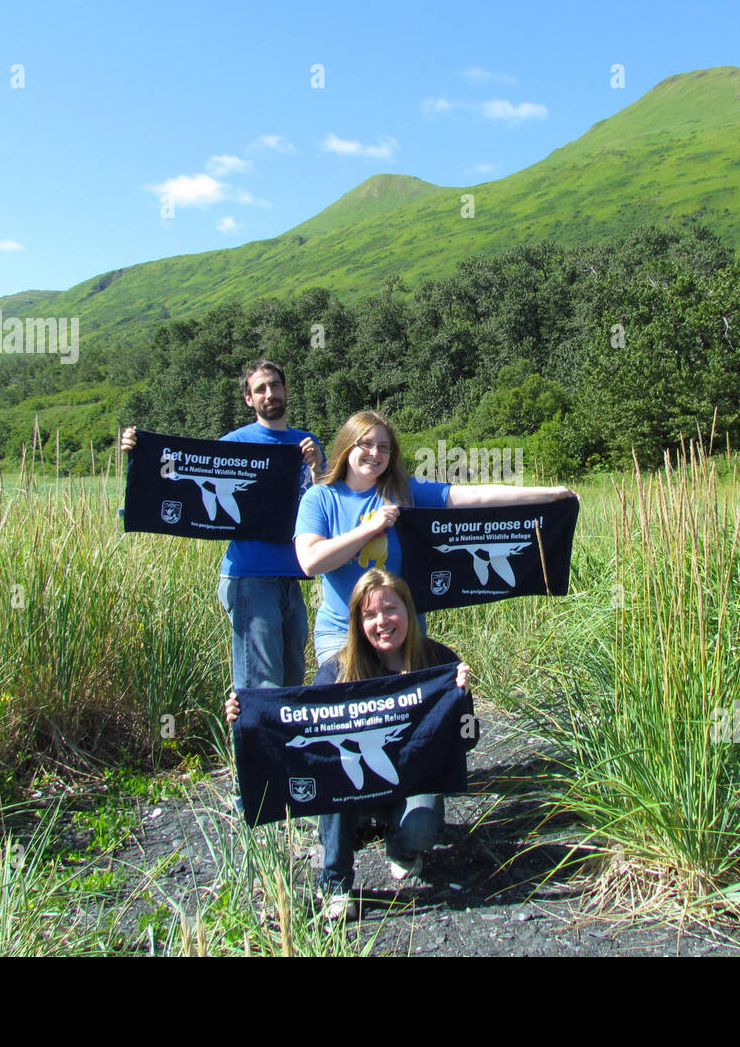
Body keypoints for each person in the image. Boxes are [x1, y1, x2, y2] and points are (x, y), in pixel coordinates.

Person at [226, 568, 471, 920]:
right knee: (333, 774)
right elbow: (297, 727)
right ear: (358, 622)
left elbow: (468, 739)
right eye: (369, 614)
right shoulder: (337, 670)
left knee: (422, 825)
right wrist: (246, 715)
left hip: (408, 781)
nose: (382, 621)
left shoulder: (438, 661)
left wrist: (461, 700)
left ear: (409, 610)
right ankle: (335, 881)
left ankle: (400, 848)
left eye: (391, 609)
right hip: (351, 786)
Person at [293, 409, 576, 664]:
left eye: (383, 447)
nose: (375, 454)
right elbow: (310, 562)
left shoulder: (406, 491)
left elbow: (476, 495)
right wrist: (370, 527)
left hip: (401, 630)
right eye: (365, 444)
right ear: (347, 445)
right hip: (343, 634)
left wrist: (550, 494)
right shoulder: (320, 498)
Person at [121, 360, 326, 690]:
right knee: (261, 688)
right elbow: (187, 471)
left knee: (292, 684)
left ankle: (280, 743)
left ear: (287, 390)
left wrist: (317, 466)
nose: (269, 393)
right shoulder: (233, 444)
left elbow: (323, 504)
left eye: (275, 385)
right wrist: (140, 450)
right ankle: (249, 743)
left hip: (293, 578)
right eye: (260, 389)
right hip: (250, 577)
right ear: (248, 399)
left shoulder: (306, 444)